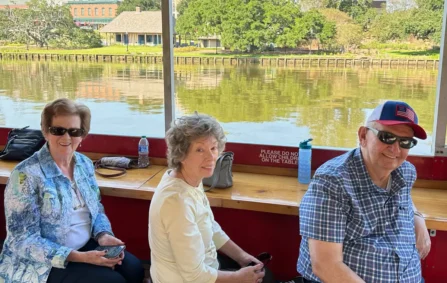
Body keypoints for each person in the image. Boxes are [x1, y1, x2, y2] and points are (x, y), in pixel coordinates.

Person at [0, 98, 144, 283]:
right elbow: (22, 239)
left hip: (85, 246)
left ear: (82, 135)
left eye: (74, 131)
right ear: (46, 131)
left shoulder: (84, 164)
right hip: (43, 262)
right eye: (58, 130)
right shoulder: (25, 175)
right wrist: (81, 257)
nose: (67, 138)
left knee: (134, 269)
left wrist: (103, 235)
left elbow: (96, 209)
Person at [297, 100, 431, 283]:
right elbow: (325, 265)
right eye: (387, 137)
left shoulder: (405, 172)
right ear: (363, 136)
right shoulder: (333, 182)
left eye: (405, 142)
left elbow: (404, 198)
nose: (395, 149)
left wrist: (417, 217)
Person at [149, 113, 274, 283]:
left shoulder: (191, 179)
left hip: (207, 271)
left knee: (266, 276)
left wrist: (242, 257)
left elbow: (209, 225)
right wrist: (238, 277)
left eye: (213, 148)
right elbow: (194, 276)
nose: (211, 157)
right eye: (200, 150)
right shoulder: (176, 201)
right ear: (181, 154)